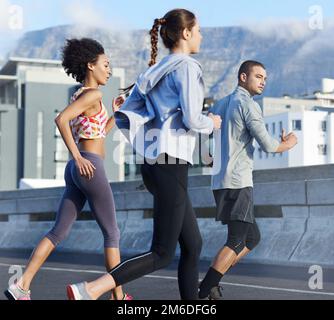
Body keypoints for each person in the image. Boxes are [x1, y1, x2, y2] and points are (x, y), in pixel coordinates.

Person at [66, 9, 222, 300]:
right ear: (186, 33)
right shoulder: (187, 66)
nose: (202, 35)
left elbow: (129, 112)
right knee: (162, 253)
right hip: (171, 161)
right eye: (199, 30)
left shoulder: (157, 68)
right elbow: (191, 118)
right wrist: (210, 122)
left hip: (154, 163)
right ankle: (92, 289)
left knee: (192, 244)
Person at [4, 38, 132, 301]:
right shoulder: (94, 94)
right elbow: (60, 119)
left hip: (77, 168)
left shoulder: (80, 95)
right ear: (90, 65)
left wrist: (114, 115)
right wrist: (77, 155)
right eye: (105, 65)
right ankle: (118, 297)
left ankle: (22, 285)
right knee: (112, 233)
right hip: (89, 166)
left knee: (57, 231)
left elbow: (96, 134)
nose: (109, 70)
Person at [198, 60, 298, 300]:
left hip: (220, 182)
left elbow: (203, 132)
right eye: (258, 76)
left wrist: (208, 157)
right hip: (239, 182)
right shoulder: (249, 105)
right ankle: (204, 289)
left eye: (265, 78)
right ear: (243, 77)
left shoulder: (220, 104)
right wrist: (289, 143)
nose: (263, 81)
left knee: (252, 237)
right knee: (235, 241)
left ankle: (212, 282)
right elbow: (268, 144)